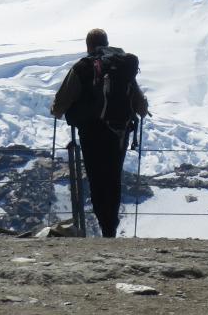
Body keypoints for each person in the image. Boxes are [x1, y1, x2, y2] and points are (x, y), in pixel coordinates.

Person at [51, 29, 148, 237]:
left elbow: (60, 104)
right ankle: (110, 228)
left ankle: (105, 227)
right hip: (119, 134)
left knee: (97, 180)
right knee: (113, 179)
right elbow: (141, 106)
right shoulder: (122, 68)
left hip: (92, 134)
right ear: (106, 43)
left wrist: (57, 110)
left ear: (88, 46)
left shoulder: (83, 67)